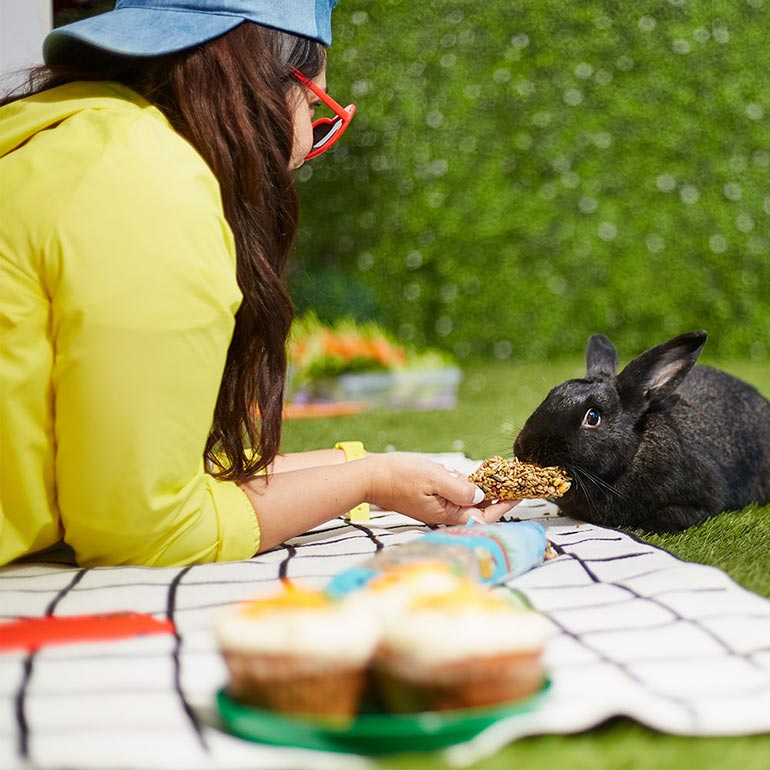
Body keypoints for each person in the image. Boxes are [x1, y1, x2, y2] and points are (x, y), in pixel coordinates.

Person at [0, 0, 517, 568]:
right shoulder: (149, 184)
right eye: (317, 114)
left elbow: (132, 465)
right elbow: (145, 529)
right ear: (260, 83)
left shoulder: (62, 133)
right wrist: (367, 481)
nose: (301, 156)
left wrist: (367, 469)